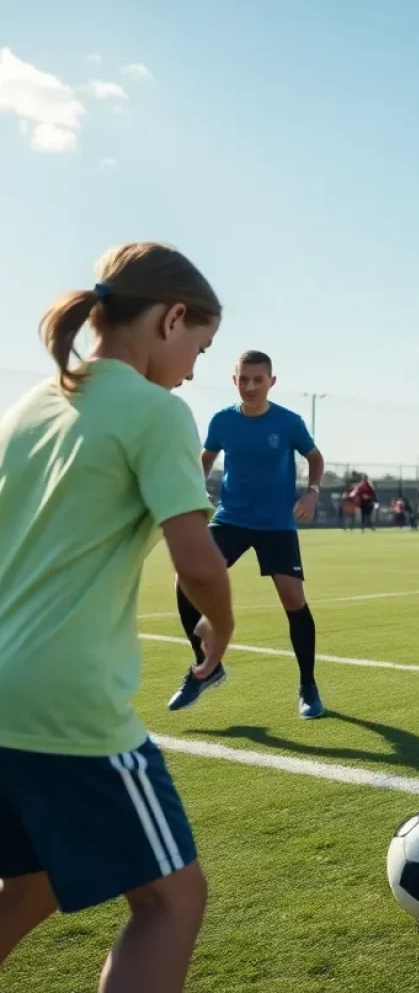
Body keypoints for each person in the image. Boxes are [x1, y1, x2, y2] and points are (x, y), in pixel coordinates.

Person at [0, 243, 232, 991]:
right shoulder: (158, 411)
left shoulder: (32, 405)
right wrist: (220, 627)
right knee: (172, 900)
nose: (195, 367)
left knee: (29, 885)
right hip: (65, 702)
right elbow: (197, 561)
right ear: (171, 319)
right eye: (200, 345)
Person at [168, 350, 326, 720]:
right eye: (244, 379)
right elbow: (206, 458)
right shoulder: (223, 420)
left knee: (292, 599)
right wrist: (197, 486)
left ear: (272, 382)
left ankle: (308, 686)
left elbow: (315, 458)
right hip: (231, 518)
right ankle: (205, 667)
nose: (250, 386)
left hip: (276, 523)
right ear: (233, 379)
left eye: (258, 380)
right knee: (185, 578)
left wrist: (312, 492)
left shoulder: (289, 422)